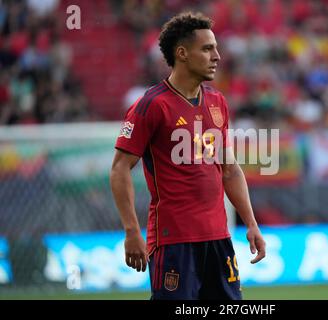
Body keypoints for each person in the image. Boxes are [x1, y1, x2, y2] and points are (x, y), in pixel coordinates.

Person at [110, 12, 266, 300]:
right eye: (207, 49)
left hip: (219, 239)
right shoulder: (152, 105)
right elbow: (120, 169)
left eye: (216, 48)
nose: (217, 56)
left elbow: (229, 170)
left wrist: (251, 222)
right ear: (182, 53)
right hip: (174, 242)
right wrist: (132, 231)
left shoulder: (218, 102)